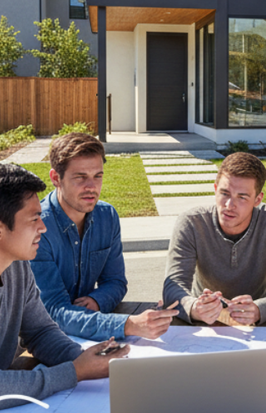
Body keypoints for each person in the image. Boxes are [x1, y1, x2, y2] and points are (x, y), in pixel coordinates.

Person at [0, 162, 125, 413]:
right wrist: (75, 371)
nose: (43, 227)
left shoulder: (16, 264)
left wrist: (91, 359)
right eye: (34, 218)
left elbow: (40, 332)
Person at [30, 132, 175, 340]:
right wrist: (128, 325)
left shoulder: (107, 216)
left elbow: (116, 281)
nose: (92, 187)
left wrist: (97, 300)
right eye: (80, 177)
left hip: (90, 334)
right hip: (41, 340)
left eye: (98, 176)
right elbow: (53, 312)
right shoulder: (38, 227)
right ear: (56, 178)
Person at [164, 152, 266, 326]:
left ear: (257, 199)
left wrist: (261, 309)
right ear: (215, 189)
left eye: (242, 197)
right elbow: (173, 284)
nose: (229, 205)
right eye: (224, 193)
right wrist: (194, 308)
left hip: (257, 323)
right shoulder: (192, 223)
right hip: (204, 320)